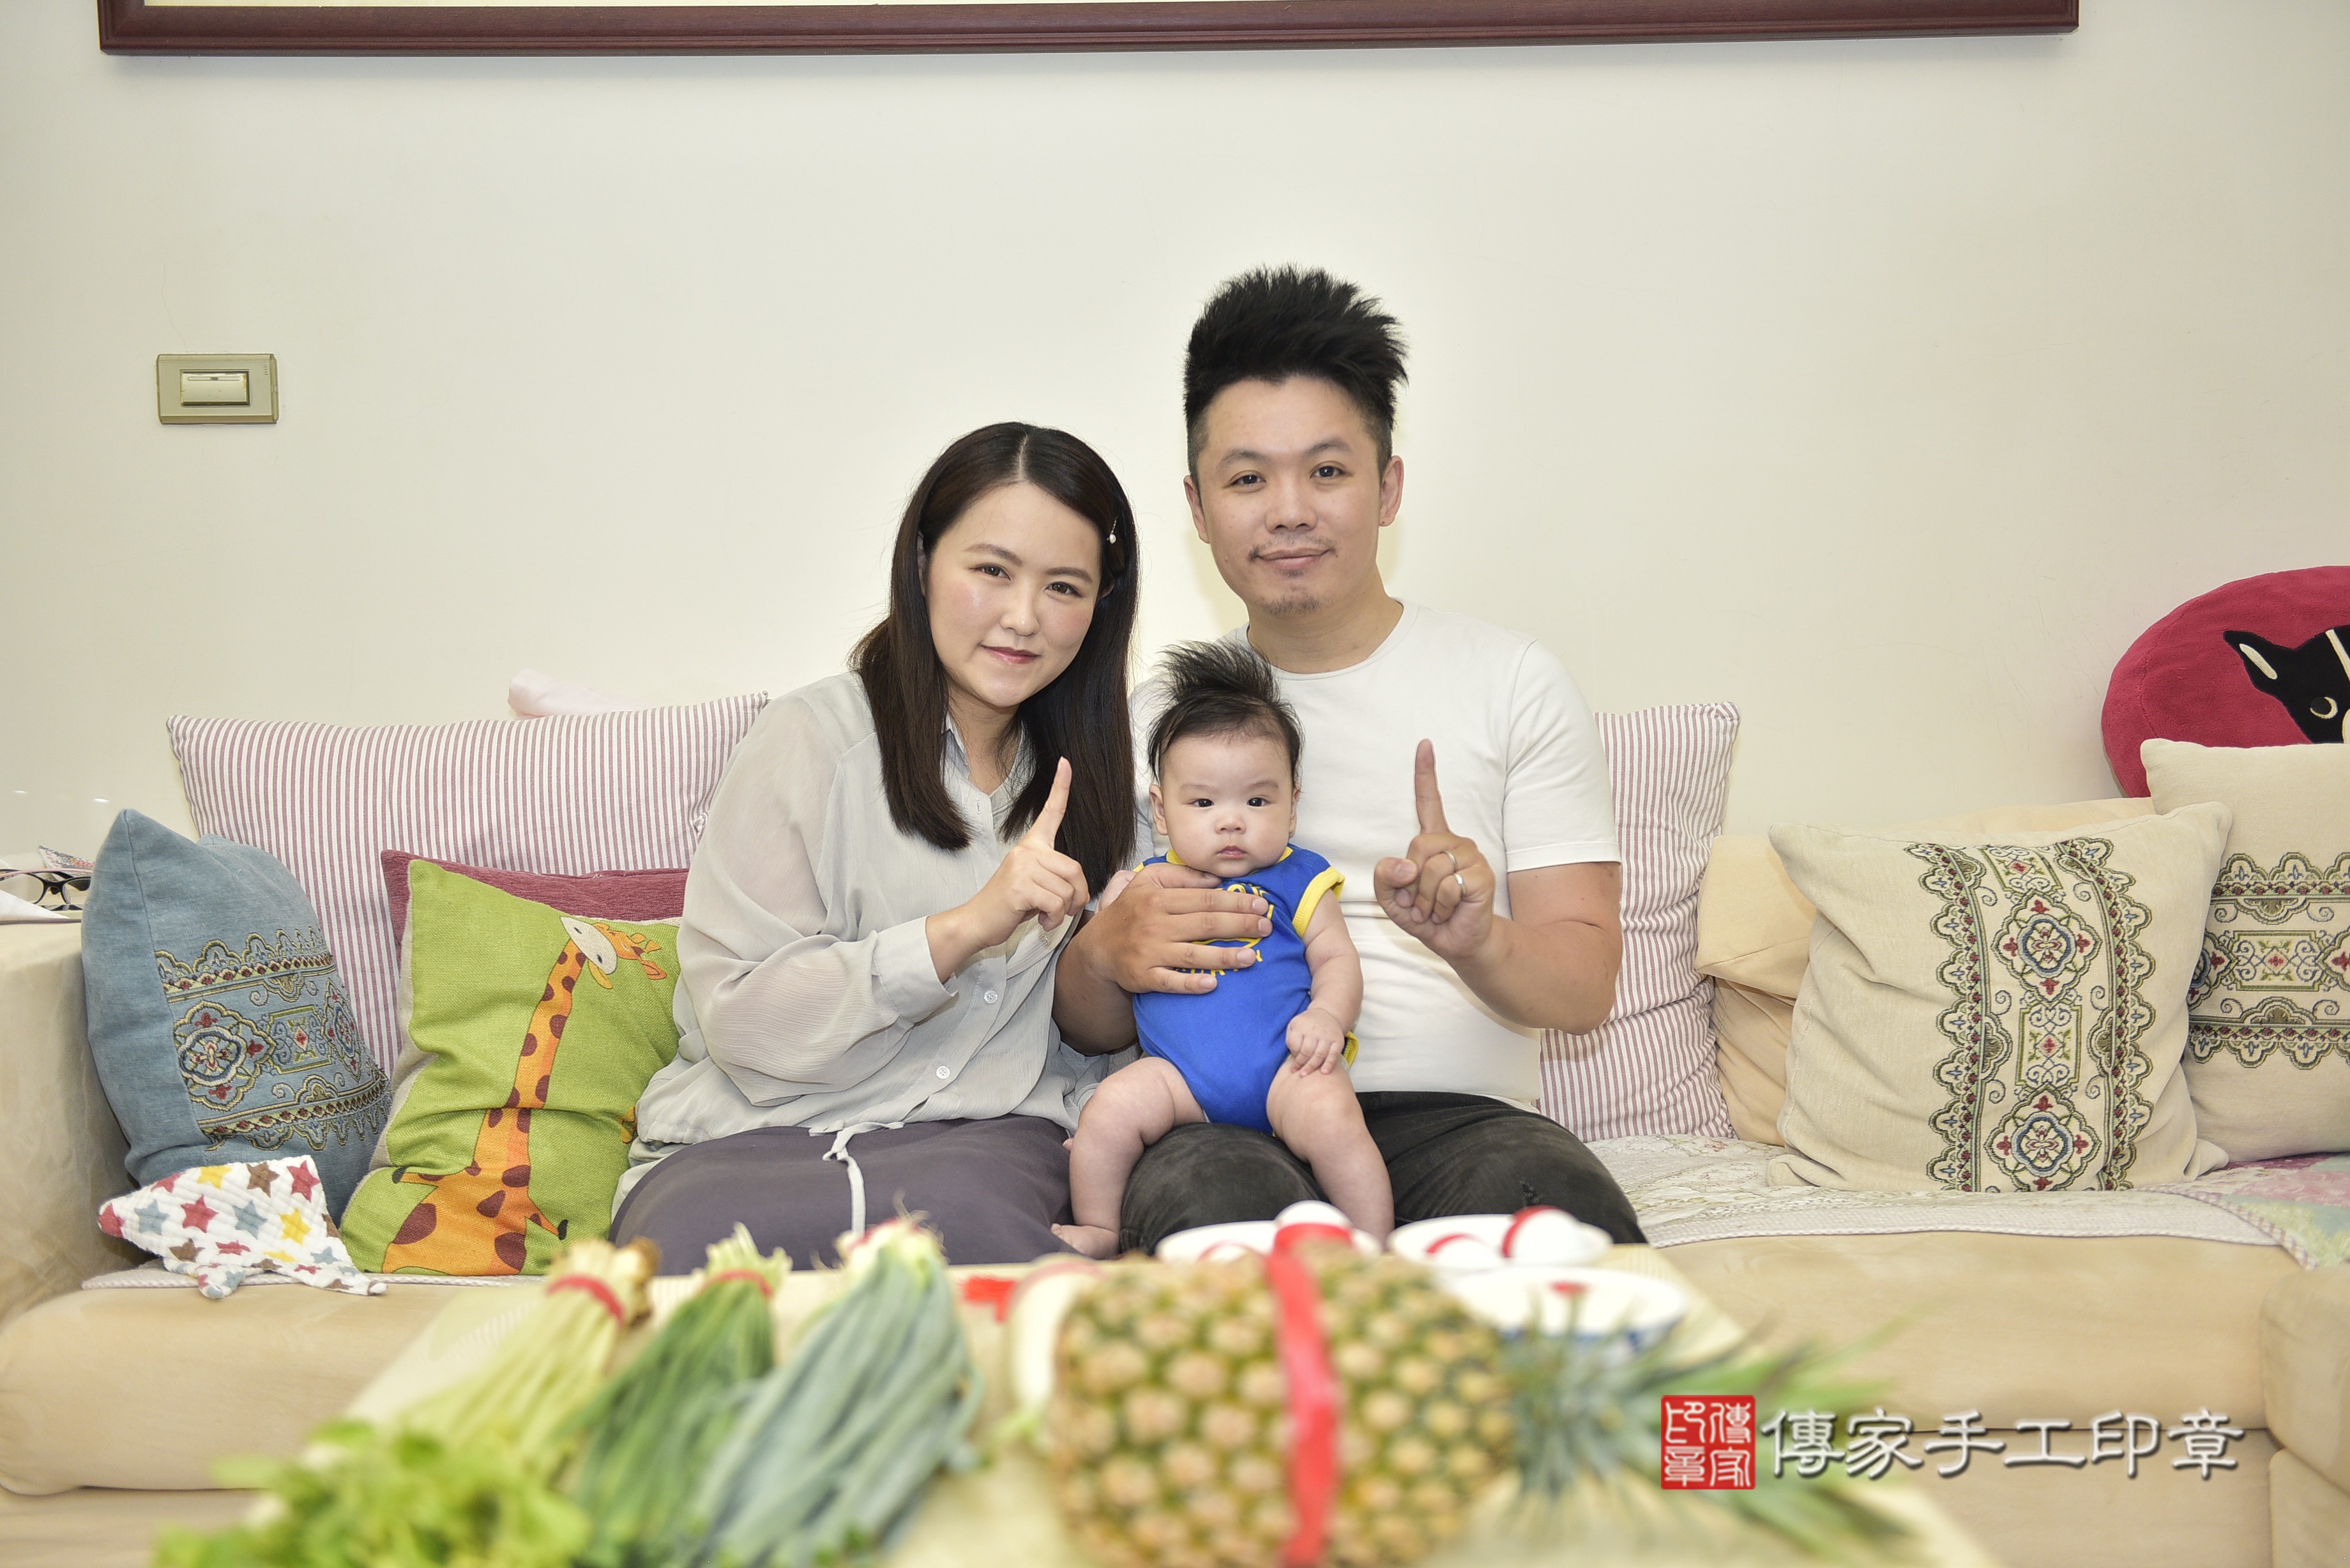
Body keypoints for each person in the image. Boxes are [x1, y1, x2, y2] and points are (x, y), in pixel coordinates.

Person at [1054, 266, 1646, 1253]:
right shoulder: (1155, 714)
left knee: (1555, 1220)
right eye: (1249, 479)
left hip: (1459, 1119)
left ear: (1388, 488)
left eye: (1327, 471)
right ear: (1198, 506)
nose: (1289, 510)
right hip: (1218, 1115)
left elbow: (1584, 991)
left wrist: (1477, 939)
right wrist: (1106, 955)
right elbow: (1089, 1026)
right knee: (1218, 1225)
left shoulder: (1513, 680)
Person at [610, 421, 1140, 1268]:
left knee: (984, 1240)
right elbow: (742, 1020)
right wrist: (960, 930)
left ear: (1100, 604)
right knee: (686, 1268)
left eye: (1064, 587)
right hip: (749, 1138)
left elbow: (1105, 1042)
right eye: (992, 570)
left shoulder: (1104, 782)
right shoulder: (810, 741)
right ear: (922, 561)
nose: (1023, 617)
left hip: (985, 1145)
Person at [1052, 641, 1384, 1258]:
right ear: (1161, 810)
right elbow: (1108, 951)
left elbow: (1337, 960)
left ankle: (1373, 1247)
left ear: (1292, 807)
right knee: (1110, 1109)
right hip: (1180, 1079)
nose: (1231, 821)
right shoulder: (1147, 886)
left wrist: (1327, 1017)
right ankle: (1100, 1226)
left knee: (1338, 1125)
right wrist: (1109, 909)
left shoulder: (1300, 878)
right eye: (1203, 803)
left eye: (1257, 801)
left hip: (1288, 1070)